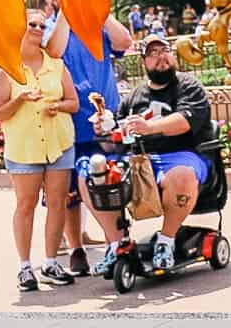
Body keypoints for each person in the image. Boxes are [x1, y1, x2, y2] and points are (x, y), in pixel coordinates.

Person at [83, 34, 213, 276]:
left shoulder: (188, 86)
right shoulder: (134, 96)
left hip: (180, 155)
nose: (160, 57)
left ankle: (166, 241)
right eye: (152, 53)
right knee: (88, 173)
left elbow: (185, 120)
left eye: (164, 50)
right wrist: (105, 128)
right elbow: (115, 139)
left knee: (182, 175)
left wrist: (150, 127)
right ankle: (116, 245)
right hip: (137, 158)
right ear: (144, 62)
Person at [0, 4, 78, 291]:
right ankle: (25, 267)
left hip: (59, 144)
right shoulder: (8, 68)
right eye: (33, 25)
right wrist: (20, 99)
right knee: (25, 205)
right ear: (21, 28)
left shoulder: (56, 64)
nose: (39, 30)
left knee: (57, 203)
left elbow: (74, 103)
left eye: (43, 25)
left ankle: (51, 262)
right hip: (24, 148)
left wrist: (56, 106)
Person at [49, 9, 132, 276]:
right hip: (72, 122)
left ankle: (115, 244)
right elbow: (53, 51)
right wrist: (66, 8)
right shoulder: (55, 26)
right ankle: (76, 249)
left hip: (106, 120)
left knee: (111, 182)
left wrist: (99, 9)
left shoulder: (99, 26)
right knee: (71, 192)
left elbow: (124, 42)